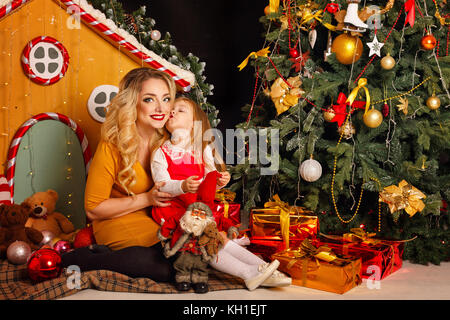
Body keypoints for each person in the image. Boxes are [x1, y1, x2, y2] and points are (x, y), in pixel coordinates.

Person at [151, 96, 291, 290]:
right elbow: (161, 183)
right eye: (171, 109)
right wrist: (181, 186)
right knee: (204, 240)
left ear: (194, 123)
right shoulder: (161, 152)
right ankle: (248, 272)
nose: (172, 111)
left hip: (199, 208)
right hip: (175, 210)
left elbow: (207, 181)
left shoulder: (201, 149)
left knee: (219, 238)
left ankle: (262, 268)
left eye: (180, 109)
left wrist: (218, 181)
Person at [61, 68, 178, 281]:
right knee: (165, 269)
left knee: (188, 256)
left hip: (159, 220)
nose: (161, 107)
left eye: (166, 98)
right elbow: (93, 209)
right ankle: (85, 260)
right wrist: (147, 198)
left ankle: (112, 256)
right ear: (132, 103)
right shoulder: (112, 145)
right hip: (116, 220)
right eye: (150, 99)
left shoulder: (169, 142)